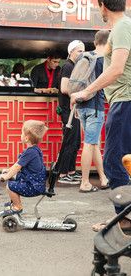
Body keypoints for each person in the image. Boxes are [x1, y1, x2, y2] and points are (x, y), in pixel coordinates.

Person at [71, 0, 131, 232]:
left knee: (113, 160)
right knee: (125, 161)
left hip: (125, 100)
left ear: (102, 6)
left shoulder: (122, 27)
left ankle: (124, 219)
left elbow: (116, 69)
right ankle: (126, 217)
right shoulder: (121, 28)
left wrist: (87, 91)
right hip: (123, 100)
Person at [77, 30, 110, 193]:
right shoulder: (103, 60)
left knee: (94, 142)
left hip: (81, 105)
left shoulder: (85, 56)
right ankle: (84, 182)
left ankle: (103, 178)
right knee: (89, 144)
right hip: (95, 107)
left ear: (95, 41)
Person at [0, 120, 48, 214]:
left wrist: (6, 176)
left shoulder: (30, 152)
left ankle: (17, 207)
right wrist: (9, 171)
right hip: (34, 182)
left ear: (26, 138)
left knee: (10, 186)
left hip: (34, 186)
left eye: (22, 133)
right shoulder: (34, 150)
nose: (20, 135)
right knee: (13, 179)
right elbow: (17, 163)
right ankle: (15, 204)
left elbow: (17, 167)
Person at [55, 40, 85, 184]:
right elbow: (64, 88)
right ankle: (62, 173)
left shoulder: (75, 66)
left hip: (75, 109)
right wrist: (81, 92)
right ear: (71, 52)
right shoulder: (67, 66)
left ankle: (71, 171)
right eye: (79, 51)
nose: (82, 54)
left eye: (83, 51)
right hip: (68, 110)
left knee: (76, 141)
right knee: (69, 140)